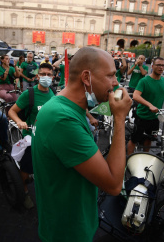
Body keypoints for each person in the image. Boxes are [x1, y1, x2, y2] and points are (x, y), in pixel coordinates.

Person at [32, 47, 132, 242]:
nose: (116, 83)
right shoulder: (62, 120)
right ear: (86, 77)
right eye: (111, 75)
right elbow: (113, 185)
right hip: (67, 231)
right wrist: (120, 118)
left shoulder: (63, 106)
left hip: (71, 221)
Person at [7, 63, 56, 209]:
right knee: (26, 170)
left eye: (49, 74)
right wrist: (20, 121)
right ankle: (25, 191)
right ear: (37, 76)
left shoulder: (53, 92)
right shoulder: (30, 93)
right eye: (42, 74)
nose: (45, 77)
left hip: (50, 139)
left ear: (53, 77)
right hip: (32, 138)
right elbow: (11, 111)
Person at [127, 58, 164, 154]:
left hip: (155, 117)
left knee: (149, 138)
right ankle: (128, 160)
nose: (161, 67)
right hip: (142, 116)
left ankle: (145, 156)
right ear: (152, 66)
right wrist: (149, 105)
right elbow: (136, 96)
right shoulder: (144, 81)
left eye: (163, 65)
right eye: (158, 65)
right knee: (134, 139)